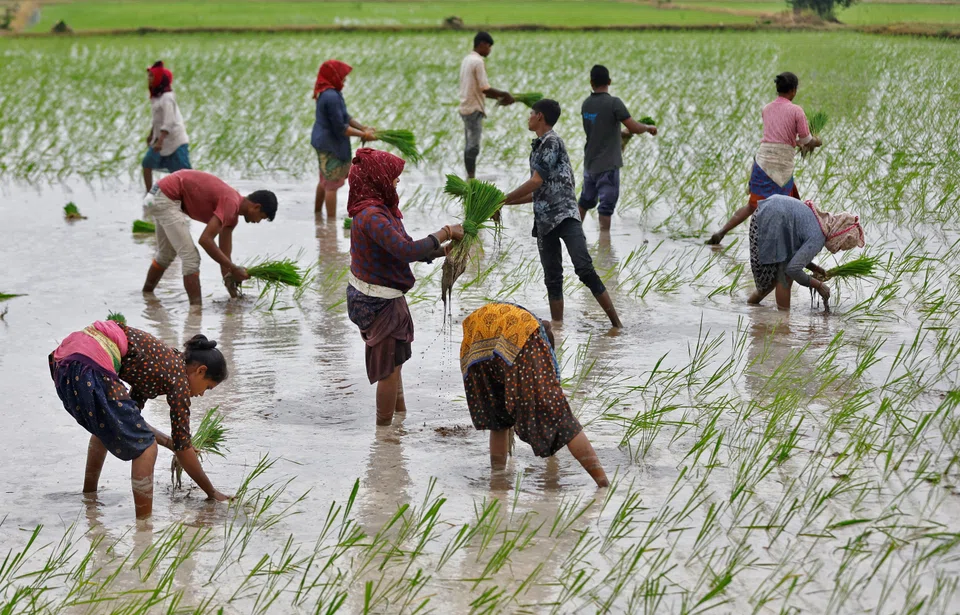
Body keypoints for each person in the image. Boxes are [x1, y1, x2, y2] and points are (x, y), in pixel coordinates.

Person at [49, 321, 232, 518]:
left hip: (67, 360)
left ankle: (89, 498)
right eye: (207, 388)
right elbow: (183, 448)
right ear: (200, 371)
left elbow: (129, 421)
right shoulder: (179, 379)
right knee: (146, 447)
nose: (202, 394)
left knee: (107, 426)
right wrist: (212, 492)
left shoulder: (161, 364)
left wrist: (170, 443)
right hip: (91, 363)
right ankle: (144, 526)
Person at [345, 148, 464, 426]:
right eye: (394, 177)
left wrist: (442, 251)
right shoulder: (371, 216)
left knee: (394, 362)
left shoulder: (383, 211)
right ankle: (384, 434)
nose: (397, 182)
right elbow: (404, 250)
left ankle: (399, 421)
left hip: (383, 296)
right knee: (388, 369)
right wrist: (445, 231)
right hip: (376, 301)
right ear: (378, 179)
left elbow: (408, 247)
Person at [503, 99, 623, 328]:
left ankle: (617, 325)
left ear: (539, 116)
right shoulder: (538, 146)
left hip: (566, 216)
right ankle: (557, 329)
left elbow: (535, 181)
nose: (528, 117)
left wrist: (504, 198)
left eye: (531, 113)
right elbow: (539, 191)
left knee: (584, 268)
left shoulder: (551, 142)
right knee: (553, 279)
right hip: (544, 220)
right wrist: (502, 204)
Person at [460, 303, 609, 487]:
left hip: (475, 334)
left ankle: (497, 480)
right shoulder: (535, 337)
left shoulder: (531, 324)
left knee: (498, 421)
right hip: (511, 331)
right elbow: (552, 395)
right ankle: (603, 484)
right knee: (562, 416)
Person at [707, 72, 822, 245]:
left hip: (762, 162)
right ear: (793, 90)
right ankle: (786, 247)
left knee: (753, 205)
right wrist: (816, 141)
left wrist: (795, 142)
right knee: (788, 208)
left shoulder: (766, 108)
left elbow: (777, 137)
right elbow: (806, 140)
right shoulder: (796, 110)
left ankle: (722, 232)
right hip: (781, 166)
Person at [141, 170, 277, 305]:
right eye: (261, 217)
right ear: (256, 207)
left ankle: (146, 295)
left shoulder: (232, 217)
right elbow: (205, 240)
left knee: (166, 254)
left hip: (158, 194)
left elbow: (225, 257)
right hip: (166, 196)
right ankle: (195, 312)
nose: (258, 221)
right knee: (191, 259)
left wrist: (234, 294)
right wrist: (234, 268)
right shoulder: (231, 202)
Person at [748, 194, 864, 310]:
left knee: (770, 281)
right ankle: (783, 320)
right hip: (772, 219)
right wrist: (819, 285)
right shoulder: (818, 237)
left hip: (765, 212)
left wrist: (814, 268)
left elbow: (793, 255)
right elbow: (793, 269)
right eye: (840, 246)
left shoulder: (821, 223)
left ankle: (752, 306)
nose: (838, 249)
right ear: (839, 237)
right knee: (785, 276)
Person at [579, 64, 657, 231]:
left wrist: (623, 133)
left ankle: (573, 234)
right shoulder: (614, 103)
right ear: (609, 81)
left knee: (585, 202)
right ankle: (604, 244)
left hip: (590, 164)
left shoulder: (586, 104)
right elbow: (635, 127)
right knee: (606, 207)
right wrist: (647, 127)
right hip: (608, 165)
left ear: (591, 82)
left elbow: (600, 129)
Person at [311, 59, 376, 218]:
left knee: (324, 180)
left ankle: (317, 216)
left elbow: (345, 117)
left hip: (324, 141)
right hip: (329, 144)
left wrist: (363, 128)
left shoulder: (330, 92)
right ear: (334, 76)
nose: (345, 81)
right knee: (331, 186)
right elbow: (340, 127)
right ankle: (331, 224)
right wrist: (364, 135)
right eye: (343, 77)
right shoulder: (331, 96)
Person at [459, 31, 515, 179]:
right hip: (473, 108)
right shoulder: (478, 62)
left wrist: (500, 97)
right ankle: (471, 178)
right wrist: (504, 94)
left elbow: (480, 90)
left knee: (469, 145)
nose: (489, 50)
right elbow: (484, 88)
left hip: (466, 106)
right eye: (489, 46)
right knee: (473, 147)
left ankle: (469, 177)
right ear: (482, 44)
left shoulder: (467, 59)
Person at [142, 61, 191, 193]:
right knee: (147, 163)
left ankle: (193, 195)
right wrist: (152, 134)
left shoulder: (167, 98)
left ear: (159, 79)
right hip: (159, 140)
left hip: (175, 141)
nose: (149, 79)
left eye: (152, 76)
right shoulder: (157, 98)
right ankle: (149, 194)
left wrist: (160, 141)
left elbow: (169, 121)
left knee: (184, 174)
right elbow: (157, 120)